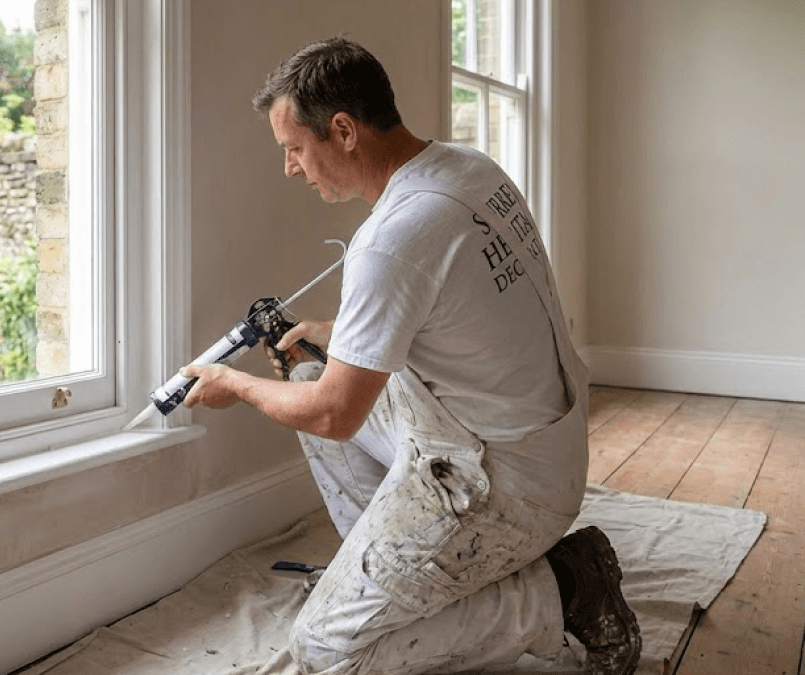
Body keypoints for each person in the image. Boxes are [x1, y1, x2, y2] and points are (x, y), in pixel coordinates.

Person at [181, 37, 641, 675]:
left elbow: (336, 415)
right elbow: (456, 310)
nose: (290, 167)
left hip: (505, 484)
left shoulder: (391, 238)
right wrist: (343, 329)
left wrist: (237, 385)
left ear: (342, 130)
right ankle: (398, 581)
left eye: (293, 147)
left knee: (327, 650)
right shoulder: (467, 169)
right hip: (535, 440)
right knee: (314, 371)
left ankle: (563, 588)